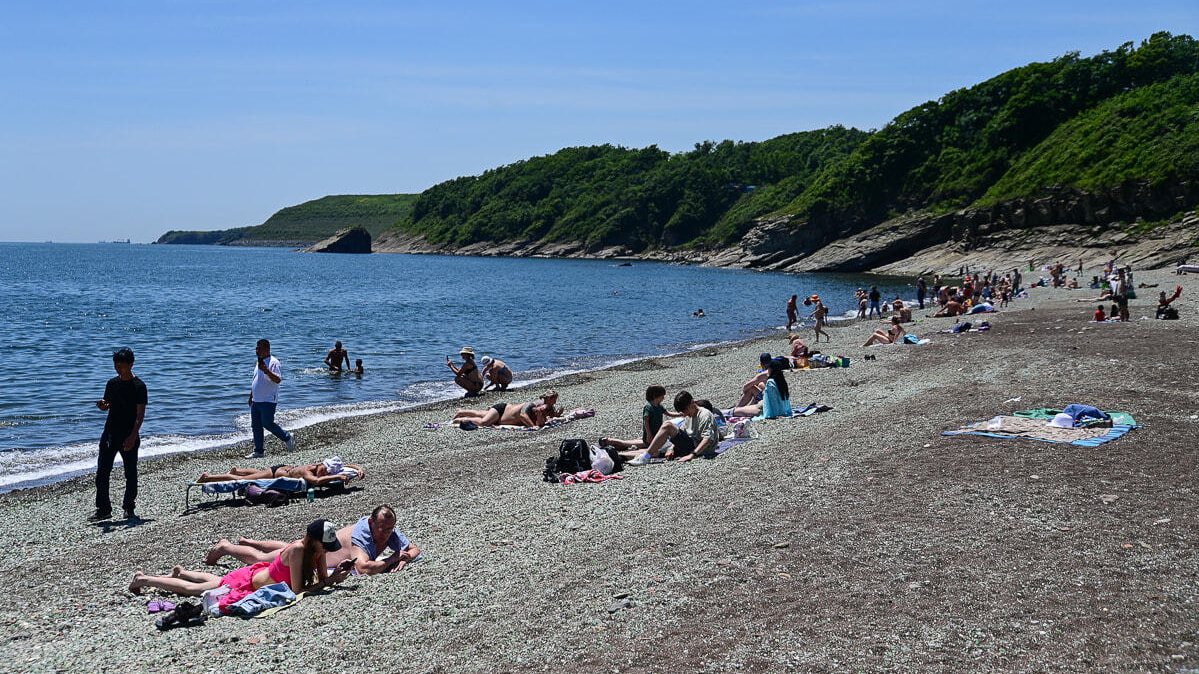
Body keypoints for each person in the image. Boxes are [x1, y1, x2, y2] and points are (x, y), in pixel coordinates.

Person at [130, 520, 354, 598]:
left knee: (219, 580)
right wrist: (329, 582)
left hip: (258, 577)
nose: (327, 550)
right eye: (325, 546)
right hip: (251, 584)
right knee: (193, 591)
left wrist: (336, 575)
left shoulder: (317, 551)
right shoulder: (297, 551)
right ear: (314, 540)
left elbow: (323, 580)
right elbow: (297, 591)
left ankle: (183, 573)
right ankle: (143, 579)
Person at [205, 505, 420, 576]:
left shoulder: (388, 529)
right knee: (263, 560)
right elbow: (363, 568)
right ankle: (226, 547)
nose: (385, 533)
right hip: (313, 552)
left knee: (289, 545)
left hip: (316, 547)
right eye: (382, 529)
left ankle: (251, 541)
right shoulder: (362, 534)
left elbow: (413, 548)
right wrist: (393, 558)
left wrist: (406, 557)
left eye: (389, 529)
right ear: (372, 522)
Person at [90, 347, 148, 522]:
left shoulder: (139, 386)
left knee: (130, 472)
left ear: (131, 364)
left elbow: (140, 415)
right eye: (116, 365)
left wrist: (132, 436)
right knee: (102, 472)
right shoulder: (112, 383)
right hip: (109, 433)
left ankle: (129, 508)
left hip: (129, 435)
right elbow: (107, 404)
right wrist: (102, 405)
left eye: (122, 366)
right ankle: (103, 509)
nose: (118, 369)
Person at [622, 391, 718, 464]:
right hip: (690, 444)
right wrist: (671, 448)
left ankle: (644, 458)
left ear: (692, 402)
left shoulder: (704, 415)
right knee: (655, 450)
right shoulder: (689, 415)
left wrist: (692, 455)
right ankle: (618, 456)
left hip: (700, 448)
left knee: (667, 425)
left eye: (685, 410)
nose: (685, 414)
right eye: (682, 412)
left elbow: (708, 439)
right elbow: (681, 431)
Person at [247, 339, 294, 459]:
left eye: (260, 348)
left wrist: (266, 370)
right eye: (256, 348)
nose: (257, 351)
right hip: (257, 399)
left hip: (268, 400)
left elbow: (278, 380)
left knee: (267, 423)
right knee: (256, 426)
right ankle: (259, 450)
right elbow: (255, 380)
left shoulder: (274, 362)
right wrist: (251, 395)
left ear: (267, 349)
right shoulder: (259, 362)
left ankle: (287, 437)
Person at [599, 385, 684, 451]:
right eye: (662, 396)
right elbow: (646, 421)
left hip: (657, 432)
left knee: (638, 443)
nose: (663, 398)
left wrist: (680, 414)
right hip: (651, 434)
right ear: (655, 396)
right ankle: (610, 441)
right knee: (637, 444)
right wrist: (649, 434)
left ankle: (614, 444)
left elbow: (669, 413)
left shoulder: (659, 406)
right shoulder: (648, 407)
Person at [196, 457, 364, 484]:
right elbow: (316, 482)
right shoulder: (308, 472)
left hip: (283, 469)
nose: (324, 474)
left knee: (257, 472)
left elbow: (345, 466)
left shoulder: (316, 466)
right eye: (324, 471)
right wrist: (340, 477)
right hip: (277, 473)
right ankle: (209, 477)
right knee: (243, 481)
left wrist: (357, 468)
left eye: (327, 473)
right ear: (321, 465)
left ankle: (238, 469)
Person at [451, 390, 558, 428]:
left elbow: (542, 423)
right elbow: (522, 415)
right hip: (501, 410)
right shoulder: (531, 405)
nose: (555, 402)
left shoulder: (547, 408)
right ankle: (461, 419)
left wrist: (551, 416)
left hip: (502, 417)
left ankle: (461, 411)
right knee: (484, 422)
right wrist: (533, 426)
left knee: (482, 414)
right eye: (554, 400)